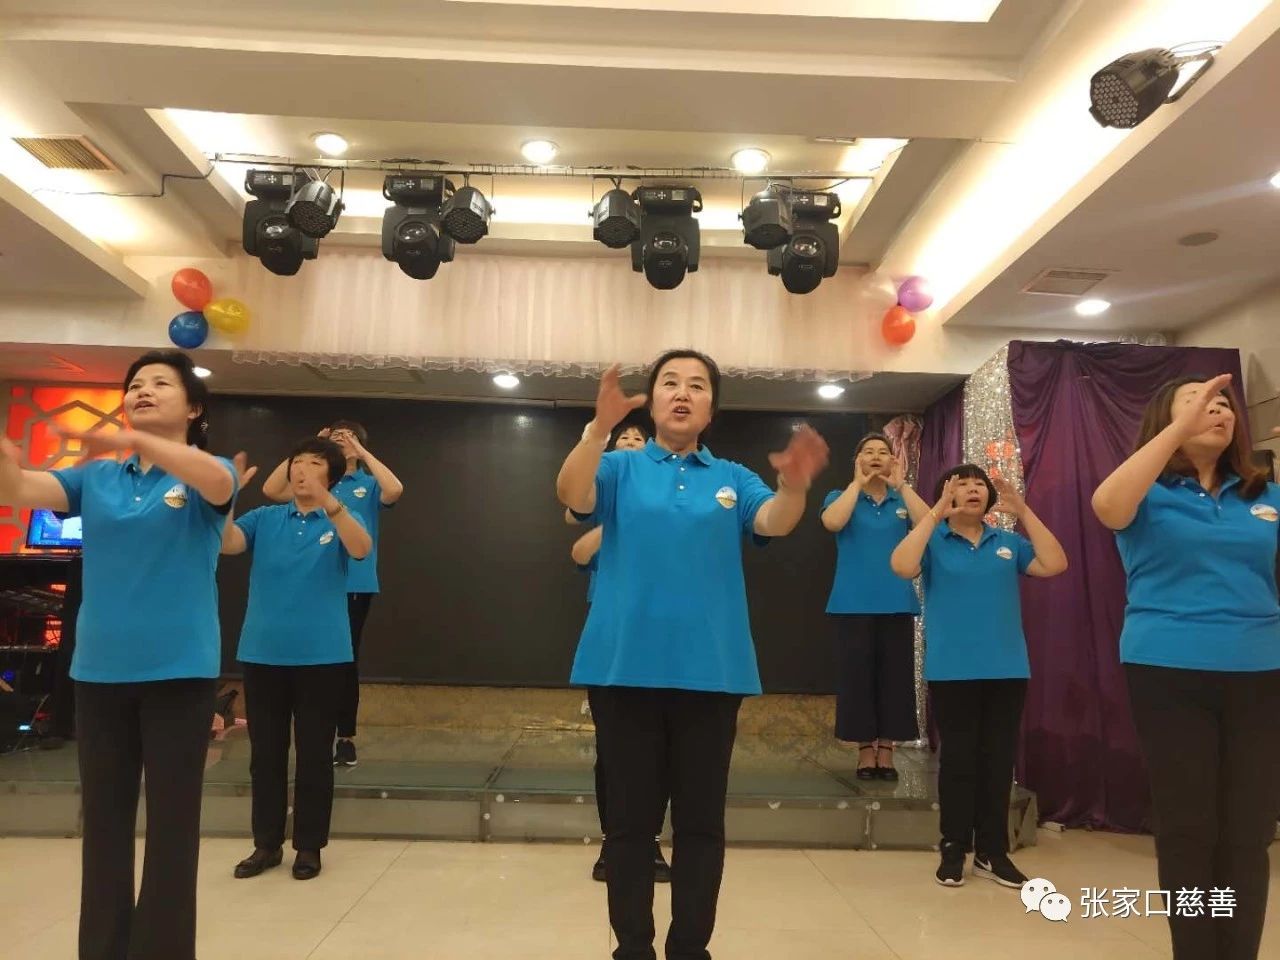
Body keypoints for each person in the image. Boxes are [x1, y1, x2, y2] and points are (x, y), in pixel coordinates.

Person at [557, 350, 829, 960]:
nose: (683, 393)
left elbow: (775, 521)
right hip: (624, 670)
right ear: (653, 400)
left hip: (711, 673)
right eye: (670, 383)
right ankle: (632, 948)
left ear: (712, 408)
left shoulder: (732, 476)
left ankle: (689, 948)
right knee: (629, 825)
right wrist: (598, 429)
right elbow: (572, 492)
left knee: (701, 825)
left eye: (698, 386)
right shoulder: (620, 466)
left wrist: (793, 484)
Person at [0, 349, 242, 960]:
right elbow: (22, 487)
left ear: (194, 408)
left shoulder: (207, 472)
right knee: (104, 827)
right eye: (135, 384)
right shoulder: (96, 479)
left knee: (172, 830)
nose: (143, 390)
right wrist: (6, 464)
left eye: (160, 383)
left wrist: (138, 440)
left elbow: (219, 485)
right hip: (100, 672)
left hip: (179, 673)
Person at [1093, 374, 1280, 960]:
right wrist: (1178, 428)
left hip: (1260, 671)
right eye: (1198, 402)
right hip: (1168, 670)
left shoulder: (1263, 495)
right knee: (1188, 827)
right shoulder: (1147, 491)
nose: (1216, 409)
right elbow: (1106, 506)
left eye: (1223, 403)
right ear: (1167, 420)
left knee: (1249, 831)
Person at [890, 464, 1066, 889]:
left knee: (997, 760)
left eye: (979, 485)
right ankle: (953, 847)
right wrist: (935, 514)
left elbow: (1055, 563)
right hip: (953, 670)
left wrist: (1023, 510)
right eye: (962, 485)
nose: (973, 490)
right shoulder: (933, 540)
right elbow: (901, 565)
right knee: (958, 761)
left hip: (1007, 668)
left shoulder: (1007, 542)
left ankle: (992, 852)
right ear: (946, 495)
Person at [224, 436, 372, 882]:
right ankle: (266, 844)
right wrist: (224, 499)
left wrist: (331, 504)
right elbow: (228, 543)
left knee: (314, 754)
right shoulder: (266, 517)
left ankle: (309, 846)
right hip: (263, 652)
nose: (302, 469)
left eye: (313, 463)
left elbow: (361, 549)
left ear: (332, 474)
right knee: (265, 754)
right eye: (297, 462)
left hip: (322, 656)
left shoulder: (343, 516)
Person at [262, 419, 403, 768]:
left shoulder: (366, 483)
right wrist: (310, 447)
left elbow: (394, 490)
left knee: (344, 661)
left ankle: (345, 737)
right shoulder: (314, 483)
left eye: (348, 437)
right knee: (310, 662)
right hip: (309, 584)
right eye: (336, 437)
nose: (341, 441)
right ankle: (310, 734)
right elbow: (272, 490)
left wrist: (362, 453)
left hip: (353, 583)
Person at [568, 423, 670, 884]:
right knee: (613, 750)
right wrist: (620, 518)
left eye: (638, 441)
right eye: (622, 440)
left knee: (662, 751)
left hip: (663, 638)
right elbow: (579, 552)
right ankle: (614, 841)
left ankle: (650, 841)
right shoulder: (599, 497)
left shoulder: (670, 504)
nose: (630, 446)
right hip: (613, 641)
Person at [819, 433, 928, 780]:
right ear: (858, 460)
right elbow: (832, 522)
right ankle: (865, 749)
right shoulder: (840, 496)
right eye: (868, 452)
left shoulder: (901, 498)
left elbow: (930, 524)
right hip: (852, 604)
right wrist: (856, 484)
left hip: (896, 602)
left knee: (895, 679)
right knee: (858, 679)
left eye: (883, 452)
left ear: (894, 461)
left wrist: (903, 485)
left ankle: (887, 749)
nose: (876, 456)